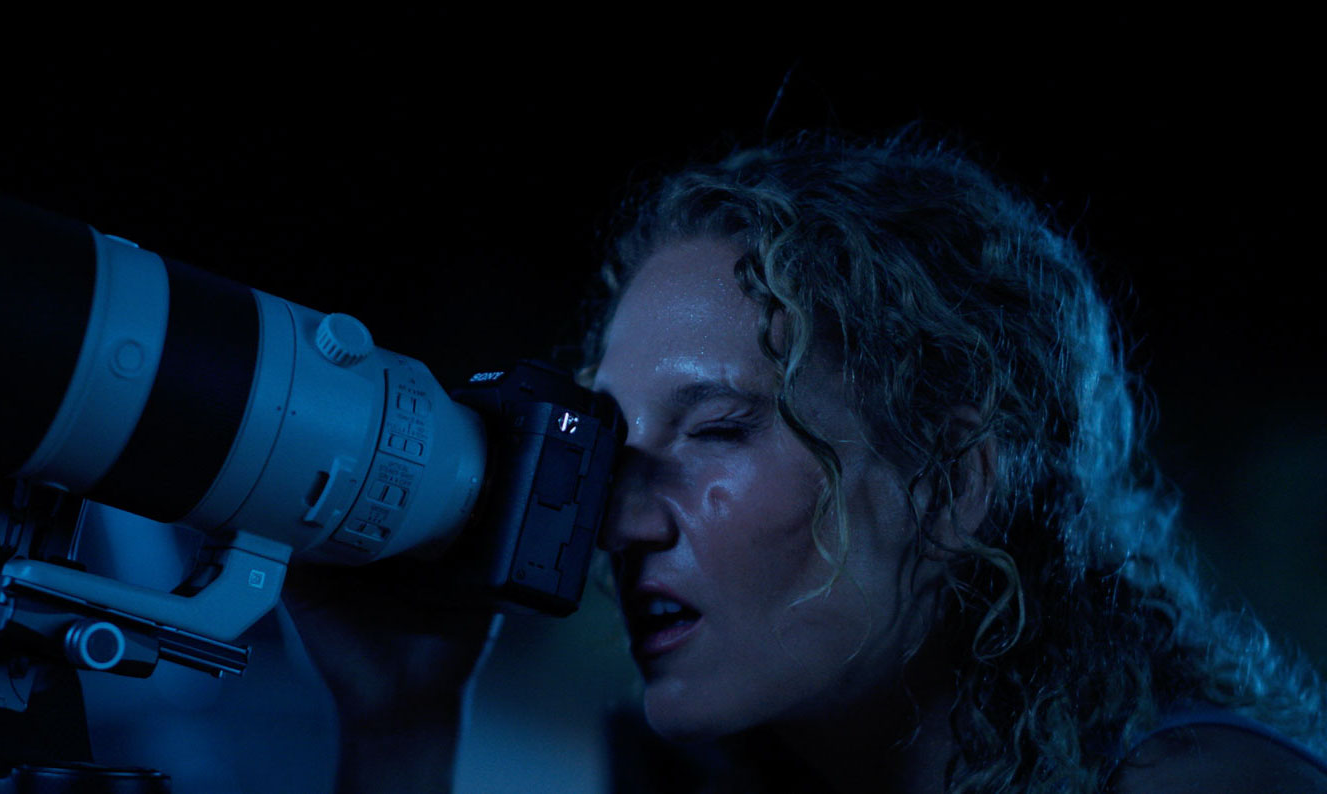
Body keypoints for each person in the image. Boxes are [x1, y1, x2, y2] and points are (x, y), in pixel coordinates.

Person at [282, 134, 1327, 793]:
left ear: (952, 482)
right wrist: (397, 725)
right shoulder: (684, 774)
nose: (621, 520)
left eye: (715, 429)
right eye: (611, 445)